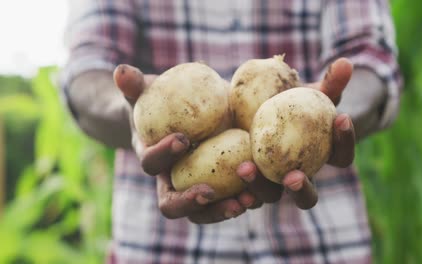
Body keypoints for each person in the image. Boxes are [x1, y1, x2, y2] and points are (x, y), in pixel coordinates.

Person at [61, 0, 402, 263]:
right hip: (157, 248)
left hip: (323, 244)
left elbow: (372, 63)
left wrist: (328, 117)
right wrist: (133, 116)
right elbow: (86, 73)